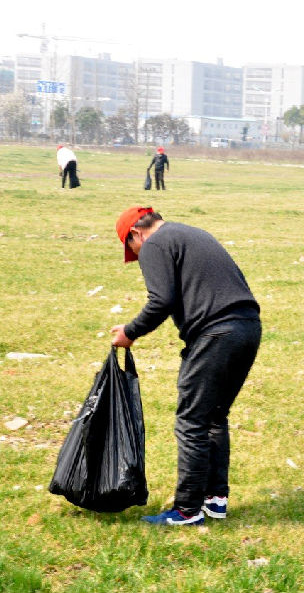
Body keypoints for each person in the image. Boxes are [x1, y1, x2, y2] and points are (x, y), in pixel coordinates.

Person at [110, 206, 261, 526]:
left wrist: (130, 332)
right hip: (247, 329)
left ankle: (187, 510)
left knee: (191, 419)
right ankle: (215, 500)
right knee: (213, 415)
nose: (137, 256)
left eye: (132, 250)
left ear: (135, 234)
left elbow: (160, 300)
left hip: (215, 334)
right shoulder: (192, 234)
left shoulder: (154, 243)